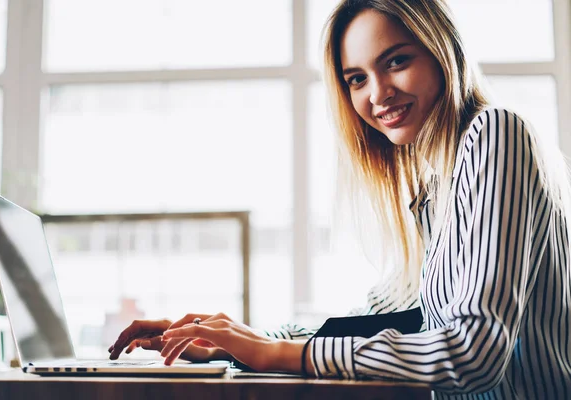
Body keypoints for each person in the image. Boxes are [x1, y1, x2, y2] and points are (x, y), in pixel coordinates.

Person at [108, 0, 571, 398]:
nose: (378, 94)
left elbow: (472, 353)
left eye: (395, 61)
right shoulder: (437, 191)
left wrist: (273, 353)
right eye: (356, 79)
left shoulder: (495, 134)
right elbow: (370, 320)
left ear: (441, 49)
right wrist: (236, 340)